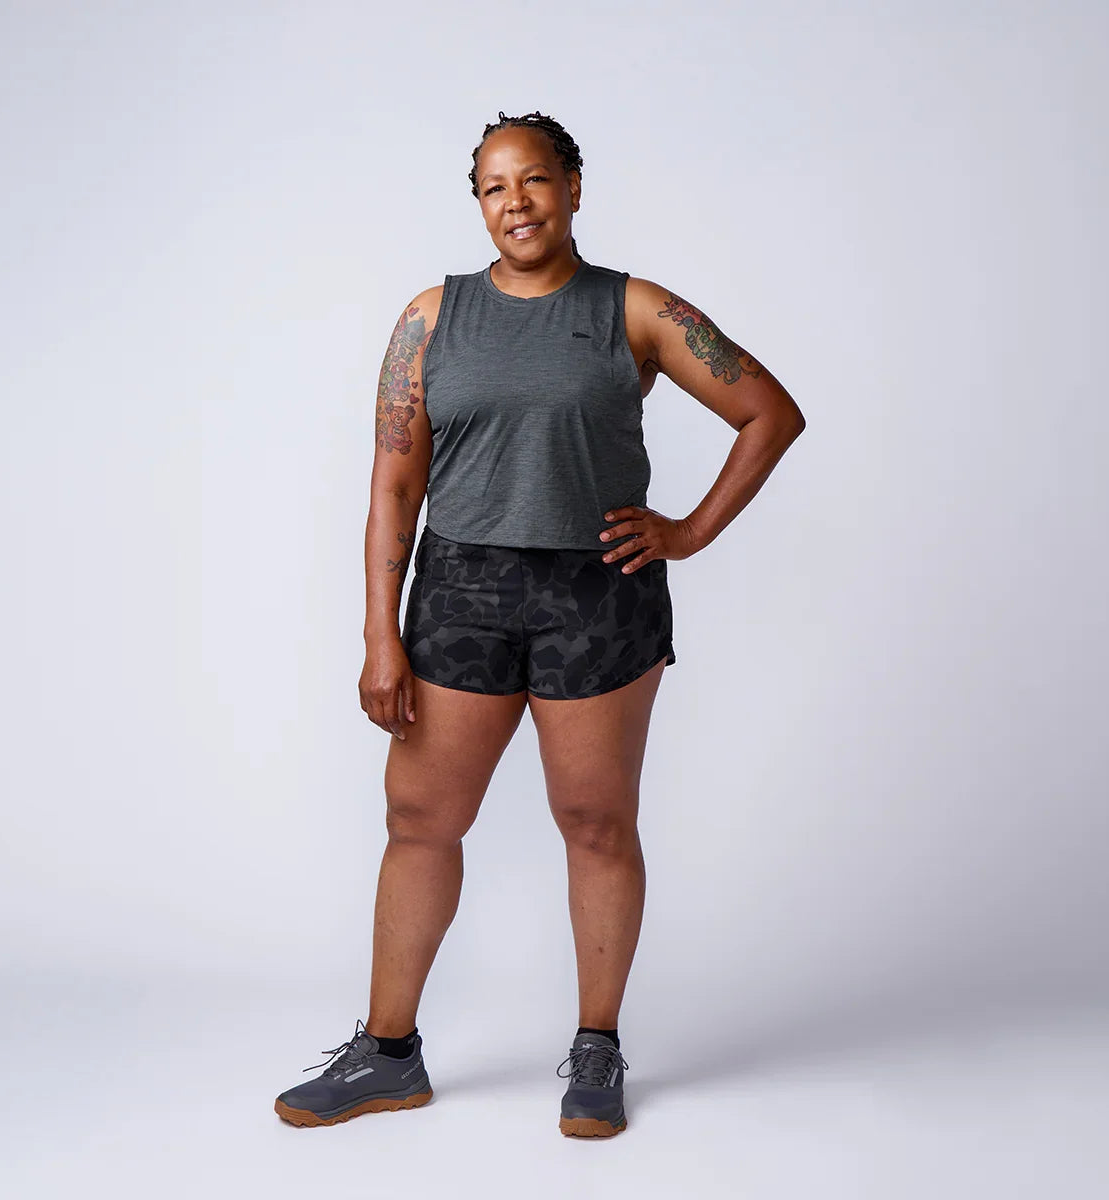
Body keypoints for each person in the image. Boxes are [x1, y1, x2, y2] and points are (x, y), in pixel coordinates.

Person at [274, 110, 805, 1138]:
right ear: (478, 202)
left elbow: (768, 414)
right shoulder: (433, 318)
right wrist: (382, 636)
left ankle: (597, 1050)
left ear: (572, 185)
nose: (513, 202)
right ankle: (389, 1054)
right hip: (461, 593)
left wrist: (687, 531)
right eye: (491, 187)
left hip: (596, 595)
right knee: (423, 822)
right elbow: (394, 484)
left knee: (596, 824)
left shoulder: (637, 309)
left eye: (533, 180)